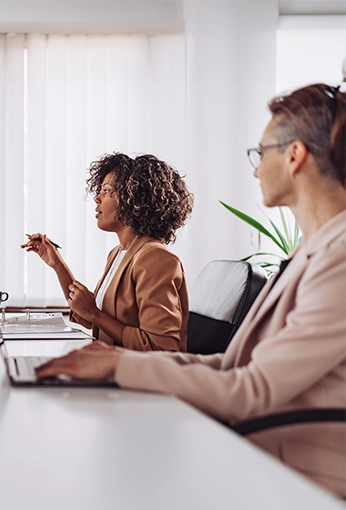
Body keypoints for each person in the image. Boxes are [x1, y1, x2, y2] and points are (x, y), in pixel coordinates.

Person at [36, 83, 346, 498]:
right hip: (256, 451)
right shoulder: (313, 251)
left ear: (294, 156)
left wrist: (116, 366)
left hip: (292, 475)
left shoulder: (337, 262)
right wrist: (108, 359)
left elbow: (251, 390)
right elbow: (232, 369)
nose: (255, 170)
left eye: (260, 153)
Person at [21, 153, 193, 352]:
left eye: (106, 190)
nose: (97, 198)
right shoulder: (118, 253)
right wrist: (57, 265)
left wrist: (95, 314)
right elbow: (98, 320)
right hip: (113, 367)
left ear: (133, 199)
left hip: (137, 378)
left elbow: (161, 348)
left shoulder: (156, 258)